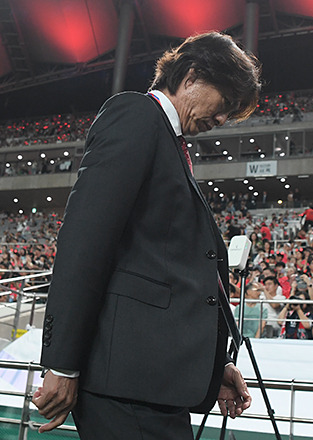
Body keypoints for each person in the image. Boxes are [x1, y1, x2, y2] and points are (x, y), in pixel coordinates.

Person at [33, 31, 261, 439]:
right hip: (126, 388)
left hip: (150, 386)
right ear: (191, 77)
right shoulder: (136, 115)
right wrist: (62, 364)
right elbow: (85, 241)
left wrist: (214, 368)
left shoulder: (168, 141)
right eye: (224, 103)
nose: (223, 119)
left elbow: (160, 270)